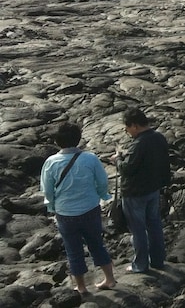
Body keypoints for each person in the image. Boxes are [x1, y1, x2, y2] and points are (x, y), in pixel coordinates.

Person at [41, 122, 117, 293]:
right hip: (90, 209)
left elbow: (47, 190)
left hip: (65, 213)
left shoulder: (51, 162)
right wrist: (103, 195)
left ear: (57, 141)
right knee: (97, 244)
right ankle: (110, 279)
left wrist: (52, 206)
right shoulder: (90, 158)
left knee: (73, 251)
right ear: (78, 139)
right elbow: (103, 181)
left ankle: (81, 287)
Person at [117, 107, 171, 274]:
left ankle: (140, 264)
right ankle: (158, 260)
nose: (128, 133)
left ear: (134, 126)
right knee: (154, 225)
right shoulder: (159, 137)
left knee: (138, 229)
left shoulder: (139, 143)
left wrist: (118, 159)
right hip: (153, 189)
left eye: (127, 129)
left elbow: (128, 169)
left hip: (135, 193)